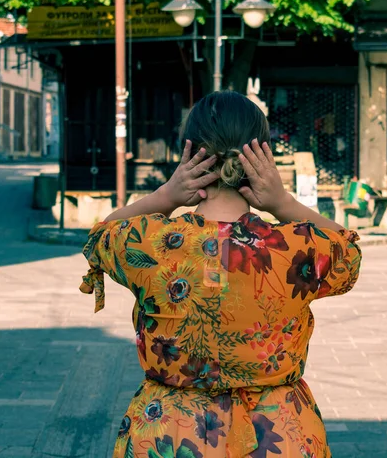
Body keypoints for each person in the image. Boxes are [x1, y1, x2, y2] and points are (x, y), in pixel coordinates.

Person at [80, 91, 362, 458]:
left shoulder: (151, 243)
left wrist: (167, 195)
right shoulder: (295, 247)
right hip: (280, 433)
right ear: (262, 158)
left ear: (190, 155)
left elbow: (99, 236)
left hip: (170, 433)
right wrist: (283, 203)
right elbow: (349, 253)